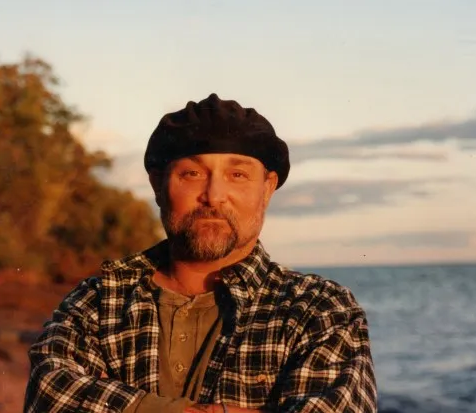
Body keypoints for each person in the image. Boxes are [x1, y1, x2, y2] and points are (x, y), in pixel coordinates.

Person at [24, 94, 377, 412]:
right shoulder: (97, 303)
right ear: (158, 185)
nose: (213, 195)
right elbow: (51, 394)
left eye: (237, 174)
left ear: (267, 188)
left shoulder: (318, 310)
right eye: (192, 173)